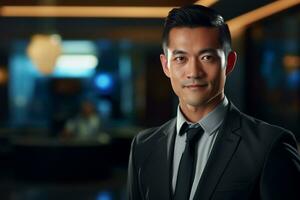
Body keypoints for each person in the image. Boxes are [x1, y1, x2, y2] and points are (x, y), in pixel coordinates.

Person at [127, 5, 300, 200]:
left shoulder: (269, 146)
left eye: (207, 57)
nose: (193, 72)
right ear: (166, 66)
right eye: (180, 58)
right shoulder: (143, 146)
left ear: (230, 62)